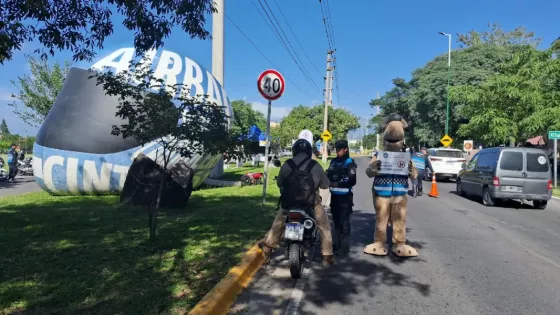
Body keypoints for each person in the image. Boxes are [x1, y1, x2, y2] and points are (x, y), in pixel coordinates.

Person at [261, 137, 335, 267]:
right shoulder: (315, 165)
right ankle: (327, 256)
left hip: (289, 203)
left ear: (294, 150)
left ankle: (267, 249)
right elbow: (325, 185)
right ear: (308, 151)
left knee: (278, 223)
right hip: (311, 203)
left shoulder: (287, 164)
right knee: (324, 226)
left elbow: (279, 184)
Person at [326, 140, 357, 254]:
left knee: (344, 223)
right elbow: (329, 174)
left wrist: (337, 184)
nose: (338, 151)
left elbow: (353, 181)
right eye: (337, 149)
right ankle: (336, 244)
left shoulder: (349, 162)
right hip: (334, 197)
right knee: (336, 222)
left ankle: (344, 247)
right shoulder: (333, 161)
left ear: (346, 149)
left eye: (340, 149)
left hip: (345, 198)